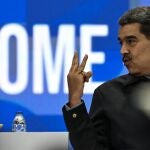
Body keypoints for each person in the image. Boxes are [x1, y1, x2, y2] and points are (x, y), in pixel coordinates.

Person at [62, 6, 150, 150]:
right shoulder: (108, 94)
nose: (123, 50)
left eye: (131, 41)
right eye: (121, 43)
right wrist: (75, 101)